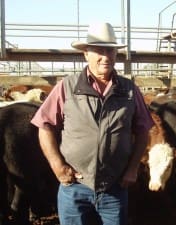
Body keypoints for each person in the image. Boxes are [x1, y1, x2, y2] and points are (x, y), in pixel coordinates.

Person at [31, 22, 154, 225]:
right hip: (75, 187)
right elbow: (44, 126)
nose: (105, 57)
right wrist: (57, 165)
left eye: (110, 50)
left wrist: (133, 169)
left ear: (116, 54)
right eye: (98, 50)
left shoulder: (129, 90)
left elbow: (143, 130)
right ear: (86, 54)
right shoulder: (67, 87)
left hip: (114, 187)